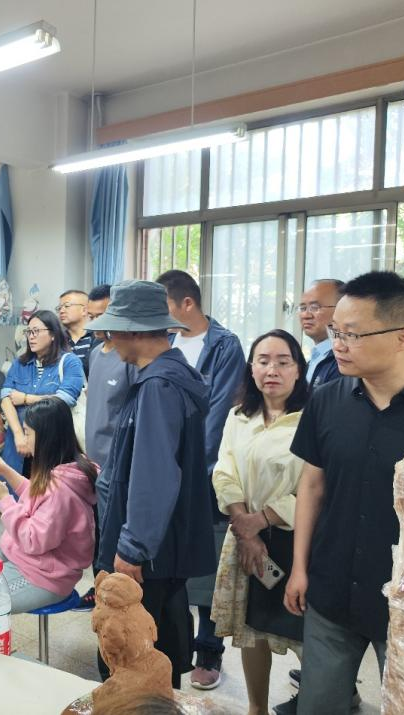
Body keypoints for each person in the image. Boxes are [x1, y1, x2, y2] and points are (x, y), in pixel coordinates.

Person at [283, 271, 404, 715]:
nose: (339, 345)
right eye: (336, 332)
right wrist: (299, 567)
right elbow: (312, 485)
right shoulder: (326, 400)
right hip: (331, 586)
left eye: (353, 334)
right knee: (317, 705)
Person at [87, 280, 214, 689]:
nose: (109, 340)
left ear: (134, 331)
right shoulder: (161, 379)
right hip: (162, 549)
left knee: (134, 657)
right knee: (160, 647)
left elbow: (154, 475)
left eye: (114, 329)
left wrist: (132, 548)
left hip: (148, 553)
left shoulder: (159, 387)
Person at [209, 330, 308, 715]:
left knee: (304, 631)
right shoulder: (239, 416)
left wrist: (263, 518)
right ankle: (256, 707)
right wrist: (245, 524)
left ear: (298, 369)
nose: (272, 370)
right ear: (251, 368)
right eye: (263, 361)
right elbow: (224, 470)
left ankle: (320, 700)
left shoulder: (312, 418)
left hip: (296, 540)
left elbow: (315, 486)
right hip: (245, 536)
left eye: (283, 362)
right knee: (252, 631)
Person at [156, 269, 246, 690]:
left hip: (204, 475)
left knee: (208, 565)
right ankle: (176, 646)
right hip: (167, 470)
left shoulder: (225, 346)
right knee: (173, 564)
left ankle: (209, 651)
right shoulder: (165, 341)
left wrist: (191, 467)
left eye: (164, 305)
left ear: (187, 303)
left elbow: (218, 413)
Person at [0, 398, 97, 613]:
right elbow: (39, 497)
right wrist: (6, 471)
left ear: (45, 437)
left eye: (27, 433)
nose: (24, 440)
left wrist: (4, 498)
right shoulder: (62, 469)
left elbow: (32, 540)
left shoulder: (62, 489)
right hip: (22, 555)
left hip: (46, 575)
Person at [77, 292, 137, 611]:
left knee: (112, 531)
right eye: (91, 315)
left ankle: (114, 593)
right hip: (93, 458)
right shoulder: (94, 353)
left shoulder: (128, 359)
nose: (95, 322)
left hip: (117, 463)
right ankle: (98, 587)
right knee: (96, 529)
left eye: (100, 315)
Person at [0, 310, 84, 476]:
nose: (31, 337)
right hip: (18, 444)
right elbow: (5, 398)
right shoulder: (20, 363)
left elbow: (64, 400)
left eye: (36, 331)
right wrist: (19, 435)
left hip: (52, 446)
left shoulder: (70, 362)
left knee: (50, 489)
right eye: (29, 332)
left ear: (53, 334)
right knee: (16, 488)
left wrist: (25, 398)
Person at [297, 279, 344, 390]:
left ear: (342, 309)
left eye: (314, 308)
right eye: (302, 308)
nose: (306, 315)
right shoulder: (312, 360)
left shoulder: (344, 359)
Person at [58, 289, 96, 376]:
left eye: (67, 306)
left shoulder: (97, 336)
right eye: (59, 308)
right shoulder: (58, 340)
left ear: (84, 310)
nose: (61, 311)